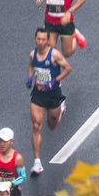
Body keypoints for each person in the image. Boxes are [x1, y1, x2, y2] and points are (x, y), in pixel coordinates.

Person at [27, 28, 72, 175]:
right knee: (36, 125)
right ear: (35, 39)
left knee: (52, 125)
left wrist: (55, 80)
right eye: (38, 39)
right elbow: (31, 65)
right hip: (39, 94)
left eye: (43, 39)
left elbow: (67, 68)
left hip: (53, 94)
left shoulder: (54, 55)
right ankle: (37, 162)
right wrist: (29, 77)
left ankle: (61, 108)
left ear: (47, 41)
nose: (40, 42)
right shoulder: (33, 54)